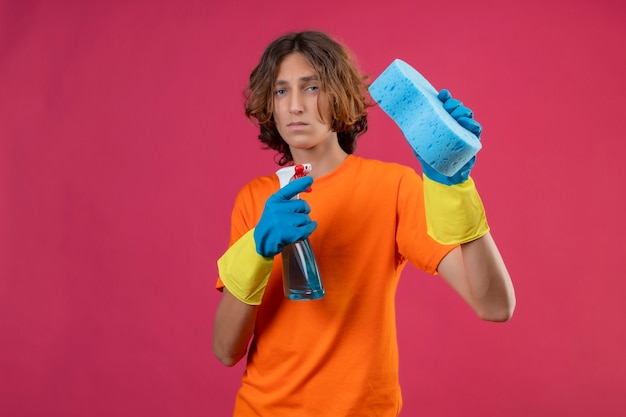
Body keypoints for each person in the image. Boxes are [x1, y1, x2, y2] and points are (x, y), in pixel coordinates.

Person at [213, 30, 515, 416]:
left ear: (339, 95)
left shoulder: (391, 186)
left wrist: (453, 185)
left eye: (312, 87)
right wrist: (256, 249)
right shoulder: (255, 200)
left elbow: (495, 305)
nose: (295, 106)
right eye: (281, 91)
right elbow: (225, 350)